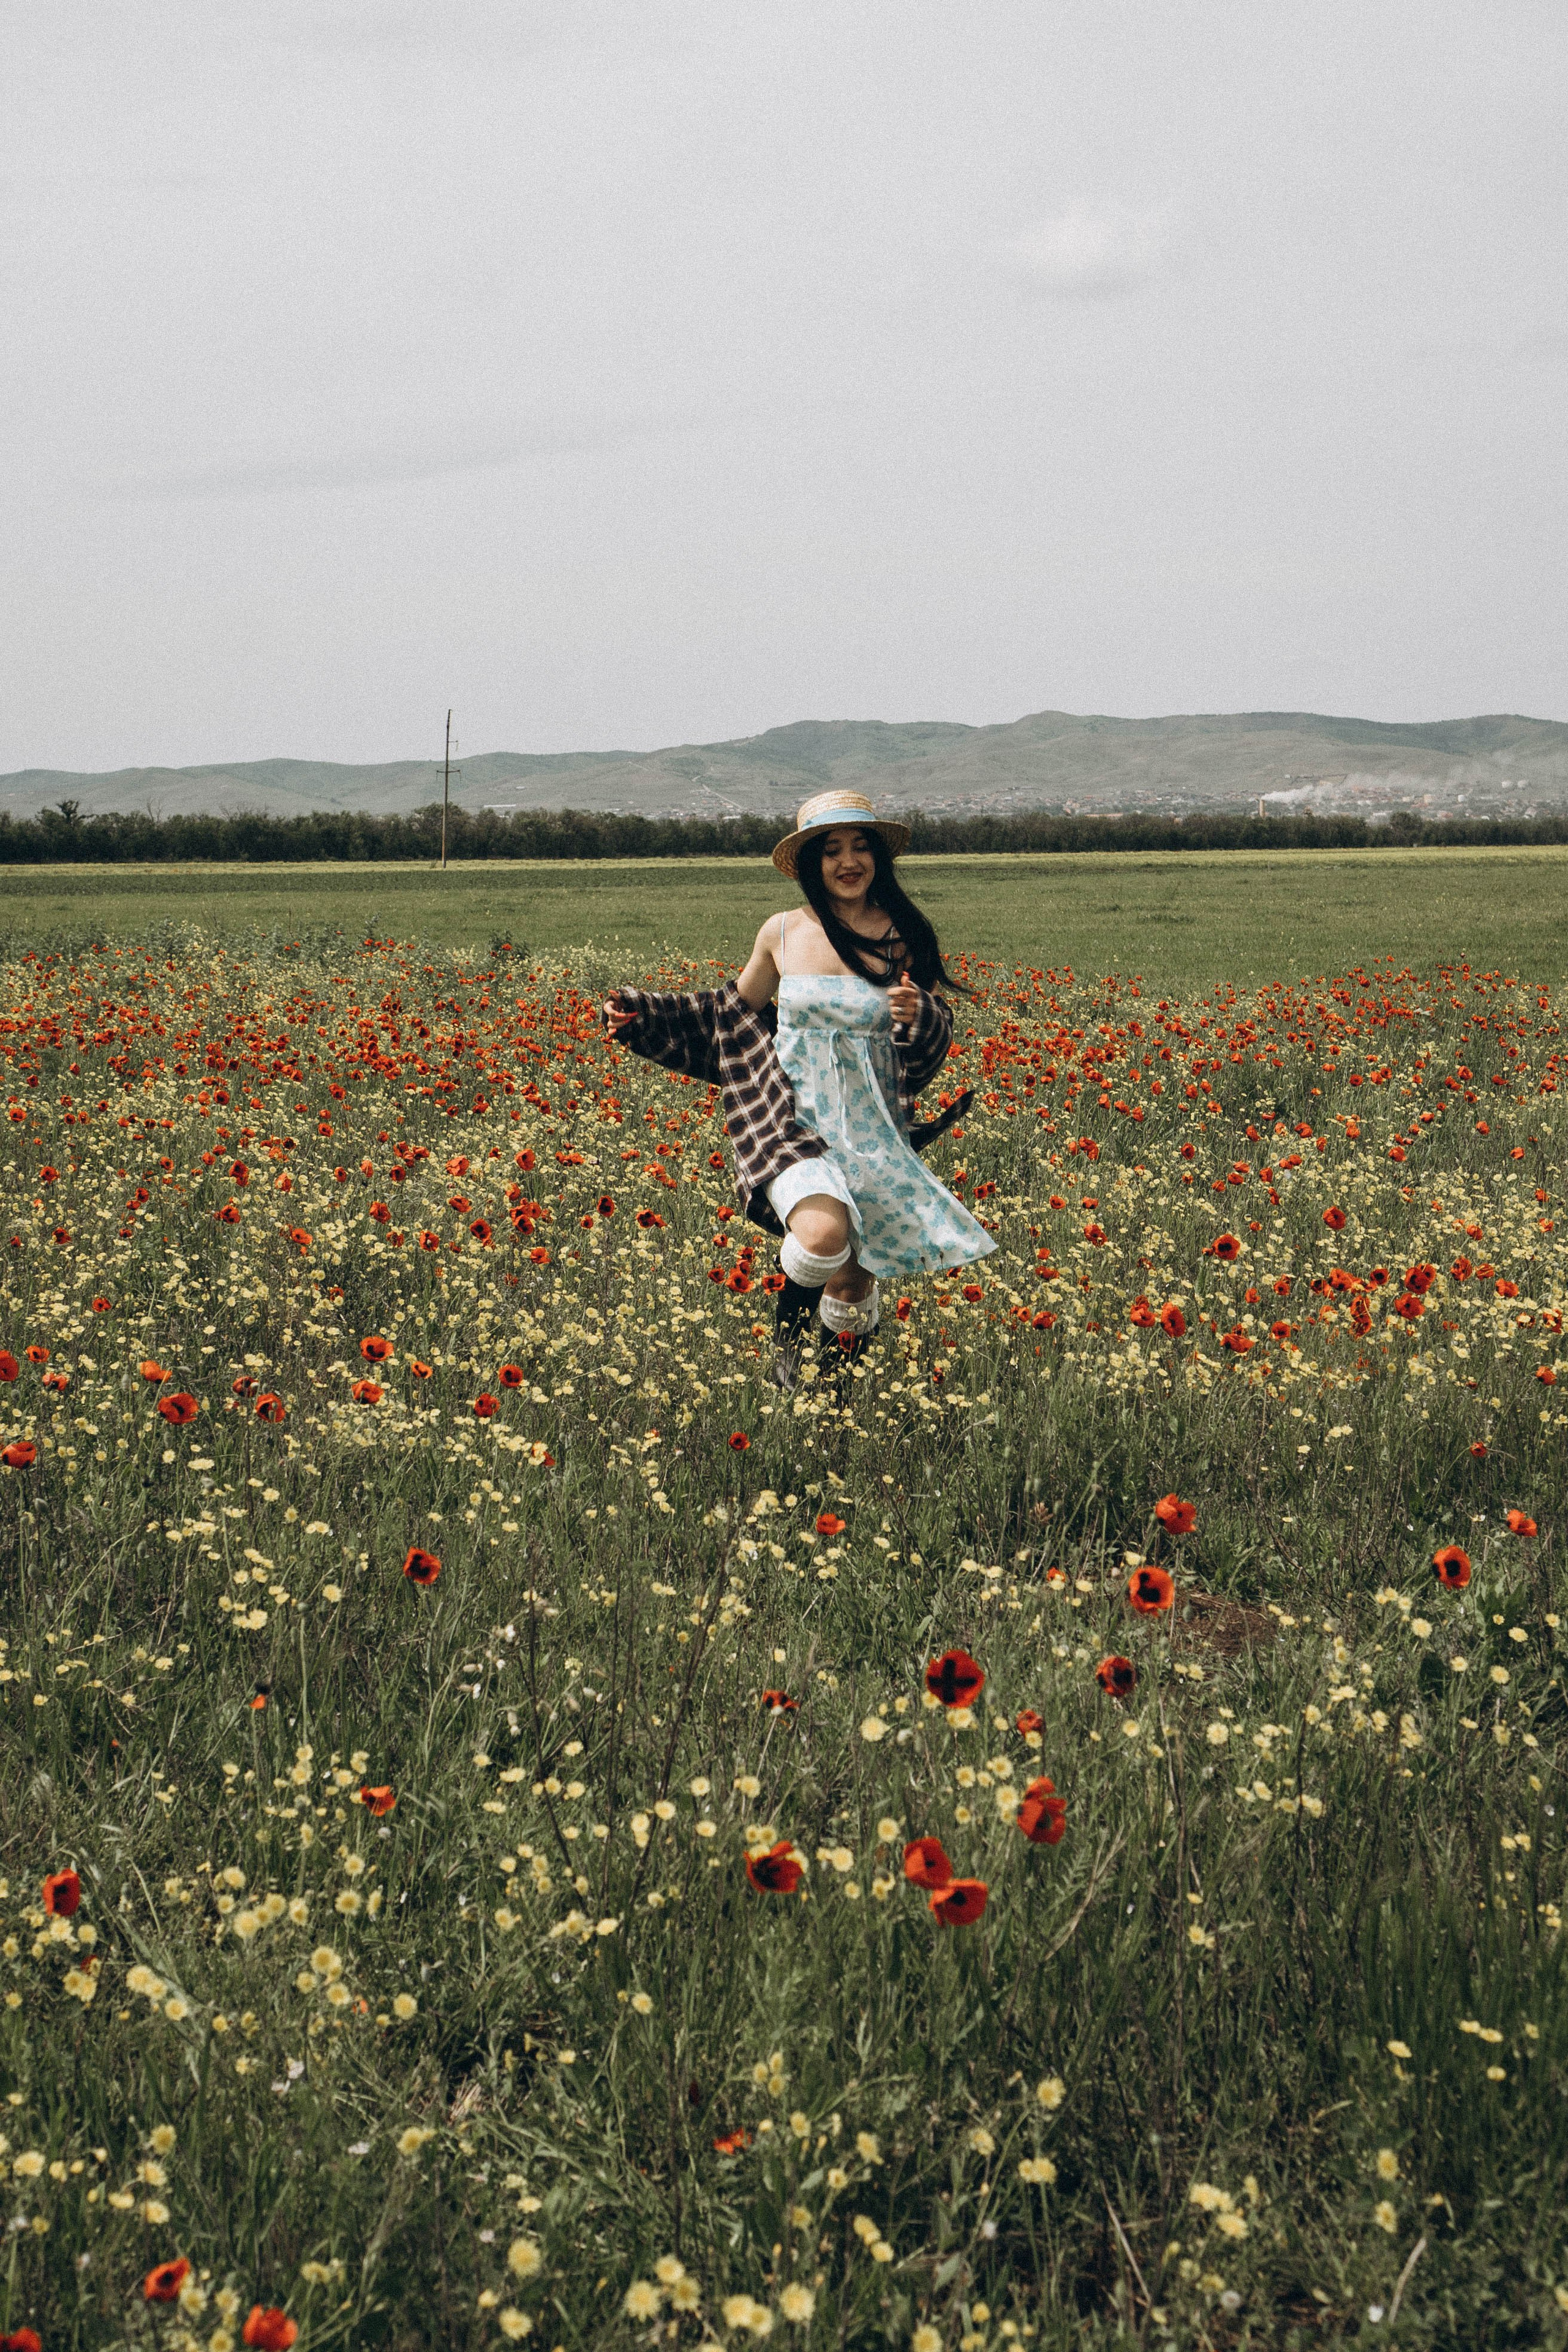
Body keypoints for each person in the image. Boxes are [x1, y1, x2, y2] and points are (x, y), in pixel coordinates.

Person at [603, 790, 992, 1384]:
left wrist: (921, 1016)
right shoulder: (781, 933)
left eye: (860, 847)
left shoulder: (901, 935)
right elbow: (727, 1012)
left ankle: (834, 1396)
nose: (847, 861)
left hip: (870, 1123)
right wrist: (646, 1013)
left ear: (877, 860)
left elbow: (931, 1036)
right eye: (831, 850)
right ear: (810, 864)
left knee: (854, 1275)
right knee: (821, 1233)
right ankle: (787, 1346)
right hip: (786, 1117)